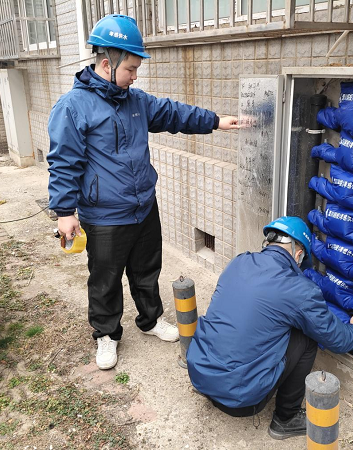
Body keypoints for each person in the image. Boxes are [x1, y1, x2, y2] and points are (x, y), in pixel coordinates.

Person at [47, 14, 239, 371]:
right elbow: (63, 162)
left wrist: (215, 120)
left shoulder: (135, 102)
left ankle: (150, 320)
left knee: (147, 270)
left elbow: (174, 114)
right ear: (108, 64)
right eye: (131, 69)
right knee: (105, 279)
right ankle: (107, 334)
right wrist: (64, 212)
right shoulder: (73, 107)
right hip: (104, 214)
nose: (135, 76)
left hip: (143, 207)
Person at [186, 216, 353, 440]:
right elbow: (338, 340)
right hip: (240, 399)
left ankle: (225, 382)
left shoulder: (239, 262)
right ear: (298, 254)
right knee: (307, 336)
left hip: (200, 375)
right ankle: (286, 418)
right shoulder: (298, 289)